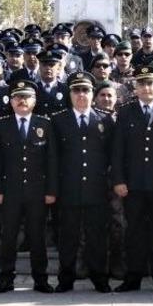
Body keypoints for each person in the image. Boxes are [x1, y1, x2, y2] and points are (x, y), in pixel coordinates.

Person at [110, 65, 153, 292]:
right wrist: (119, 180)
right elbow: (117, 151)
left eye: (150, 83)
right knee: (134, 233)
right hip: (134, 185)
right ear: (135, 87)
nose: (146, 87)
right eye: (142, 83)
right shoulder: (125, 112)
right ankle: (133, 277)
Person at [0, 80, 58, 293]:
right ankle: (6, 278)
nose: (22, 101)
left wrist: (51, 191)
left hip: (37, 192)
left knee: (37, 236)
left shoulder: (44, 124)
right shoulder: (0, 125)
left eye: (26, 97)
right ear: (11, 101)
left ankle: (41, 279)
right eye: (18, 97)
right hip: (10, 192)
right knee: (8, 236)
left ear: (34, 101)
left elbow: (52, 161)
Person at [51, 72, 114, 292]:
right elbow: (54, 158)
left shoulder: (106, 119)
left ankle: (100, 278)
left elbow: (112, 155)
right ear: (70, 94)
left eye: (85, 90)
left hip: (97, 189)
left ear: (93, 94)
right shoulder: (58, 120)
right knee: (68, 236)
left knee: (97, 237)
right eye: (76, 90)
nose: (81, 95)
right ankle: (66, 278)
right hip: (68, 189)